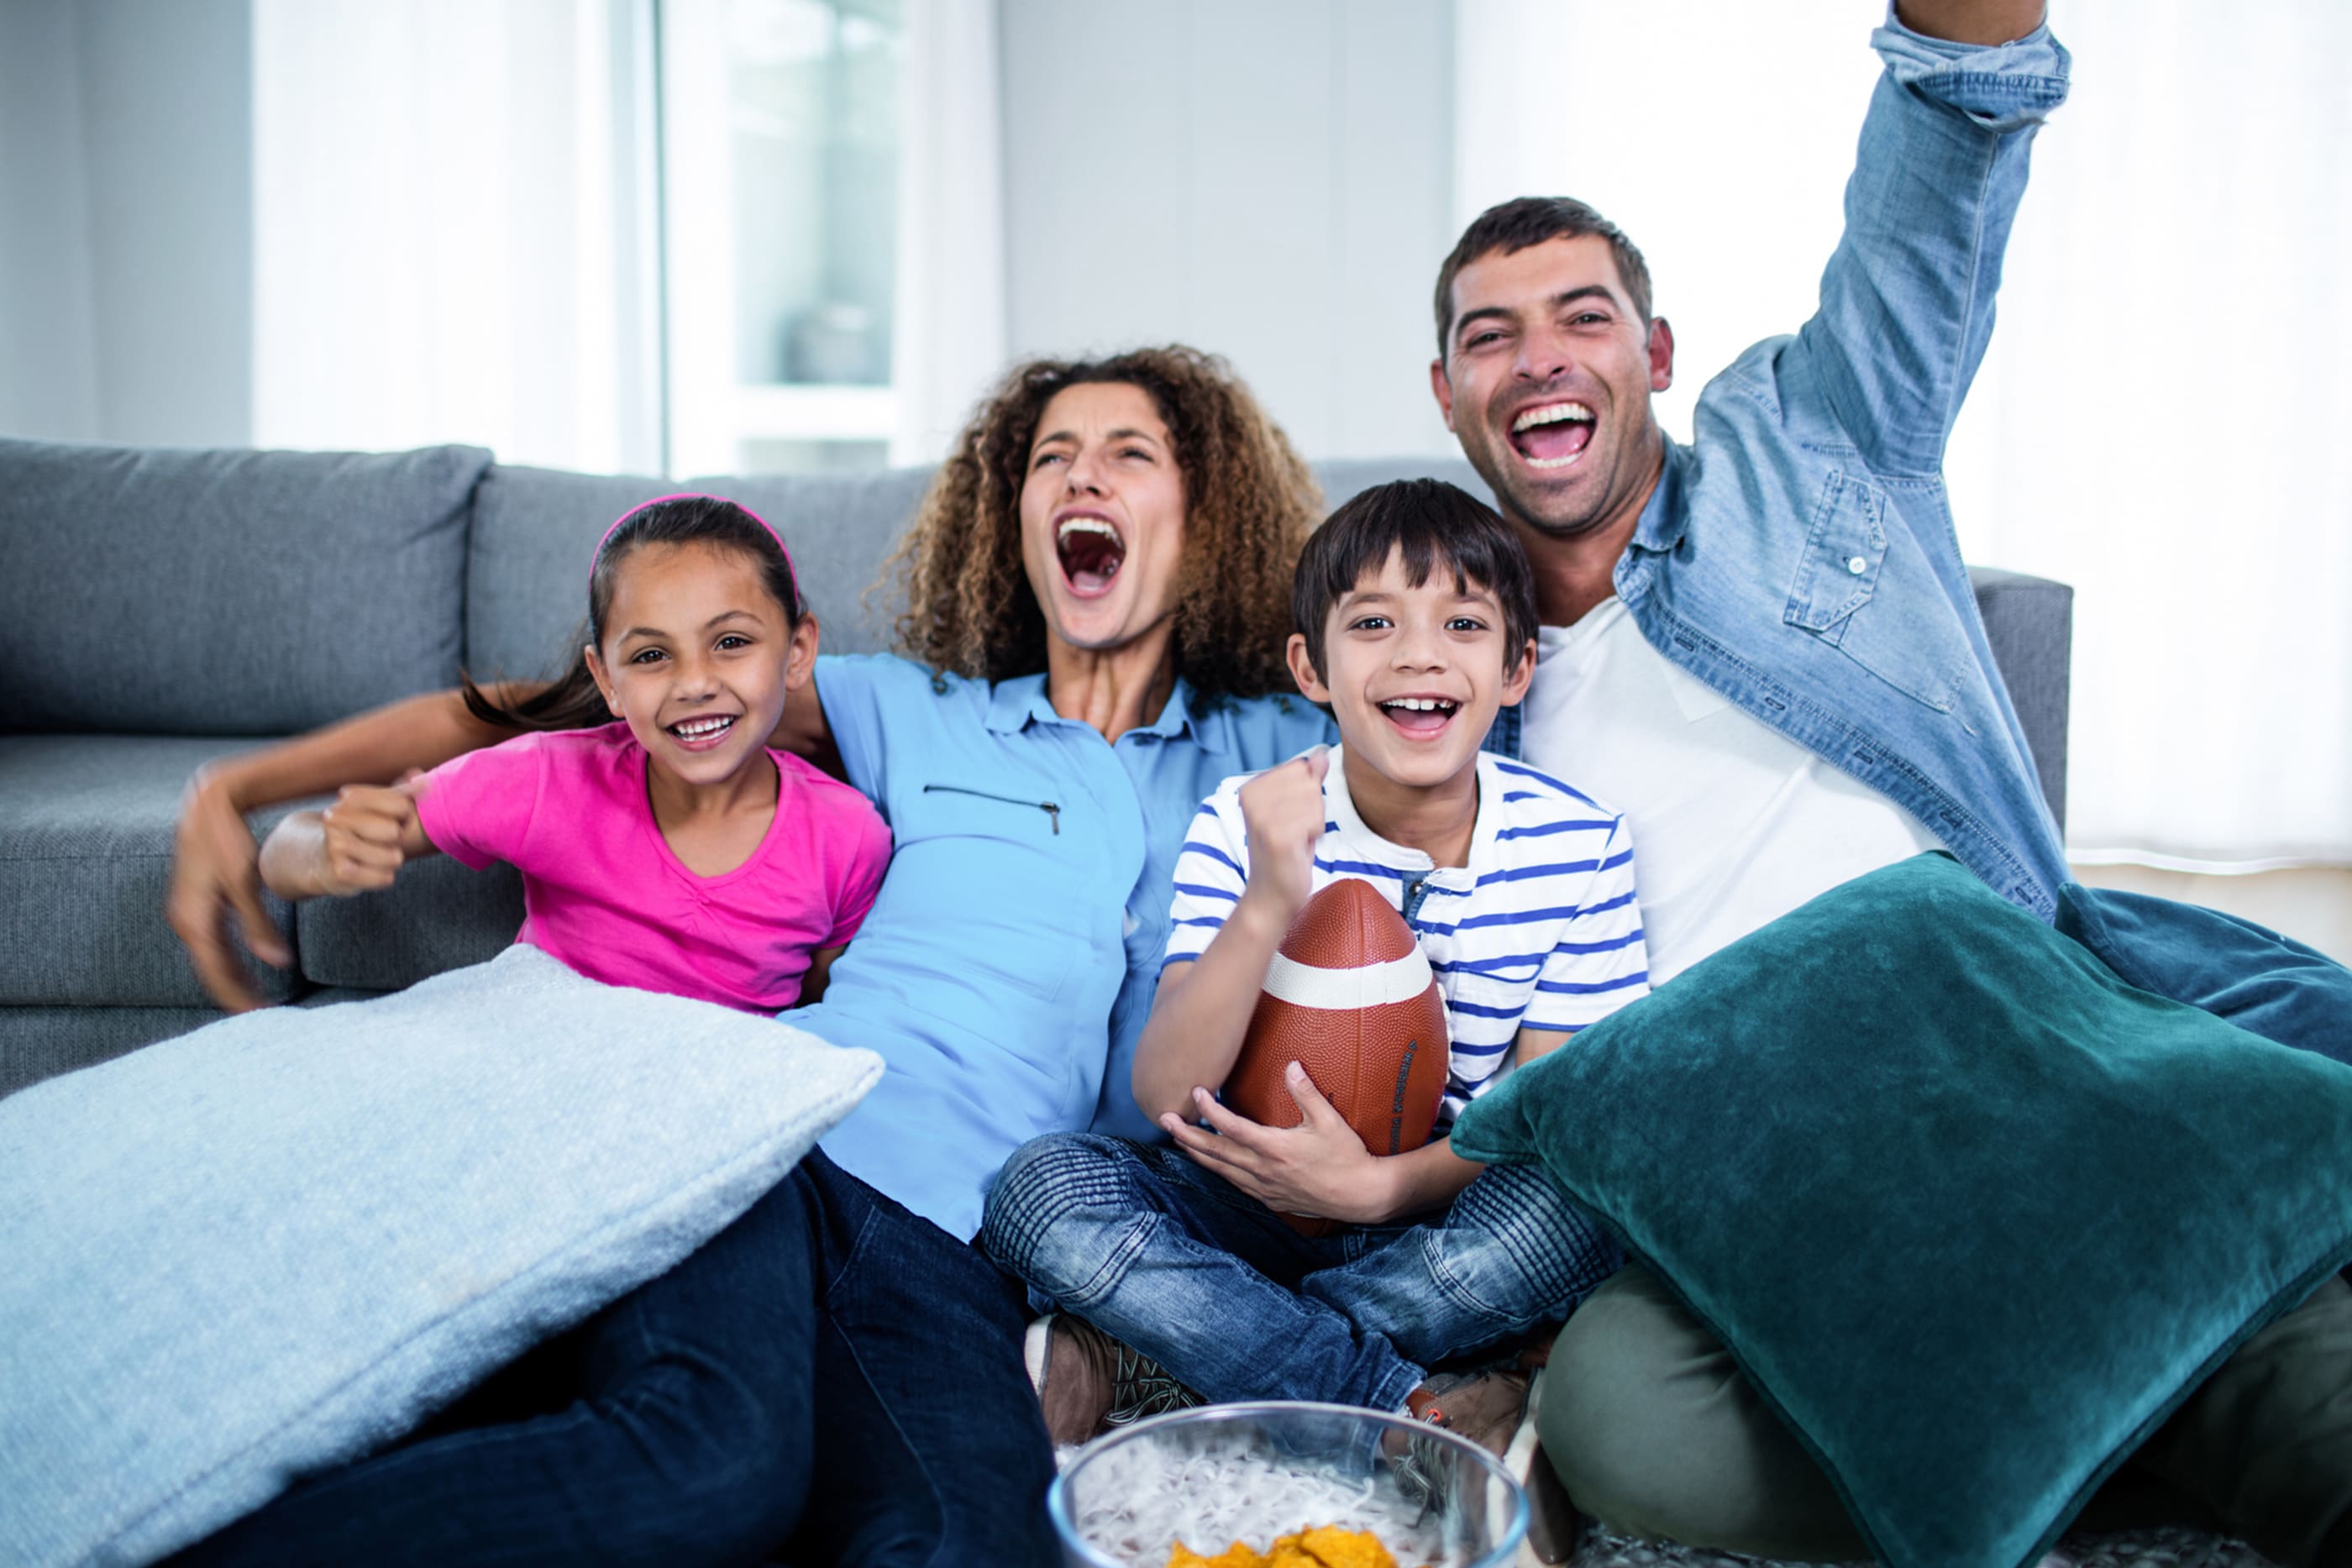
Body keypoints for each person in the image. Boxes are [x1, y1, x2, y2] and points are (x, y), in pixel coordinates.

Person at [1423, 3, 2352, 1562]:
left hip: (2002, 1047)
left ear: (1652, 356)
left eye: (1580, 317)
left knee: (2292, 1379)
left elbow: (1945, 159)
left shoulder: (1813, 447)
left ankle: (2134, 1385)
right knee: (1619, 1421)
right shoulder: (1446, 692)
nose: (1538, 360)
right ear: (1447, 394)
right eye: (1488, 336)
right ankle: (2082, 1398)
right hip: (1752, 1163)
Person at [162, 346, 1335, 1566]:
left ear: (1204, 515)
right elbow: (556, 703)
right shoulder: (920, 708)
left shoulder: (1280, 747)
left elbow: (1448, 691)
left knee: (979, 1544)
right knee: (710, 1464)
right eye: (1053, 457)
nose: (1081, 475)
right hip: (772, 1147)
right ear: (1019, 514)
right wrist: (239, 784)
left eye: (1127, 453)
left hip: (955, 1256)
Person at [981, 480, 1646, 1551]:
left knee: (1588, 1209)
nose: (1420, 655)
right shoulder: (1248, 818)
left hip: (1440, 1219)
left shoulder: (1578, 842)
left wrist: (1381, 1185)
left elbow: (1545, 1112)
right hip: (1240, 1210)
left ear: (1516, 668)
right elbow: (1164, 1092)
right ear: (1311, 668)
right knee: (1037, 1188)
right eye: (1373, 622)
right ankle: (1403, 1405)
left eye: (1463, 624)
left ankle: (1170, 1355)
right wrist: (1269, 897)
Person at [257, 495, 890, 1015]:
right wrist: (321, 854)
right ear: (607, 679)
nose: (694, 682)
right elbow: (286, 849)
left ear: (798, 650)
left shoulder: (849, 833)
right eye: (650, 655)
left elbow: (824, 1013)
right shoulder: (542, 779)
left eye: (730, 641)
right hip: (551, 1075)